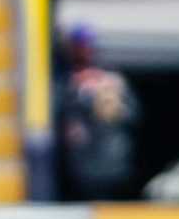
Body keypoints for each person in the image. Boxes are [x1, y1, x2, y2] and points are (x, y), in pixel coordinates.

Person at [57, 26, 143, 200]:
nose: (83, 50)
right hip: (82, 165)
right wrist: (81, 93)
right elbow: (59, 117)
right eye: (78, 46)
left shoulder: (110, 76)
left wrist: (110, 97)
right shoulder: (64, 79)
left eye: (86, 45)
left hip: (113, 160)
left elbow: (133, 115)